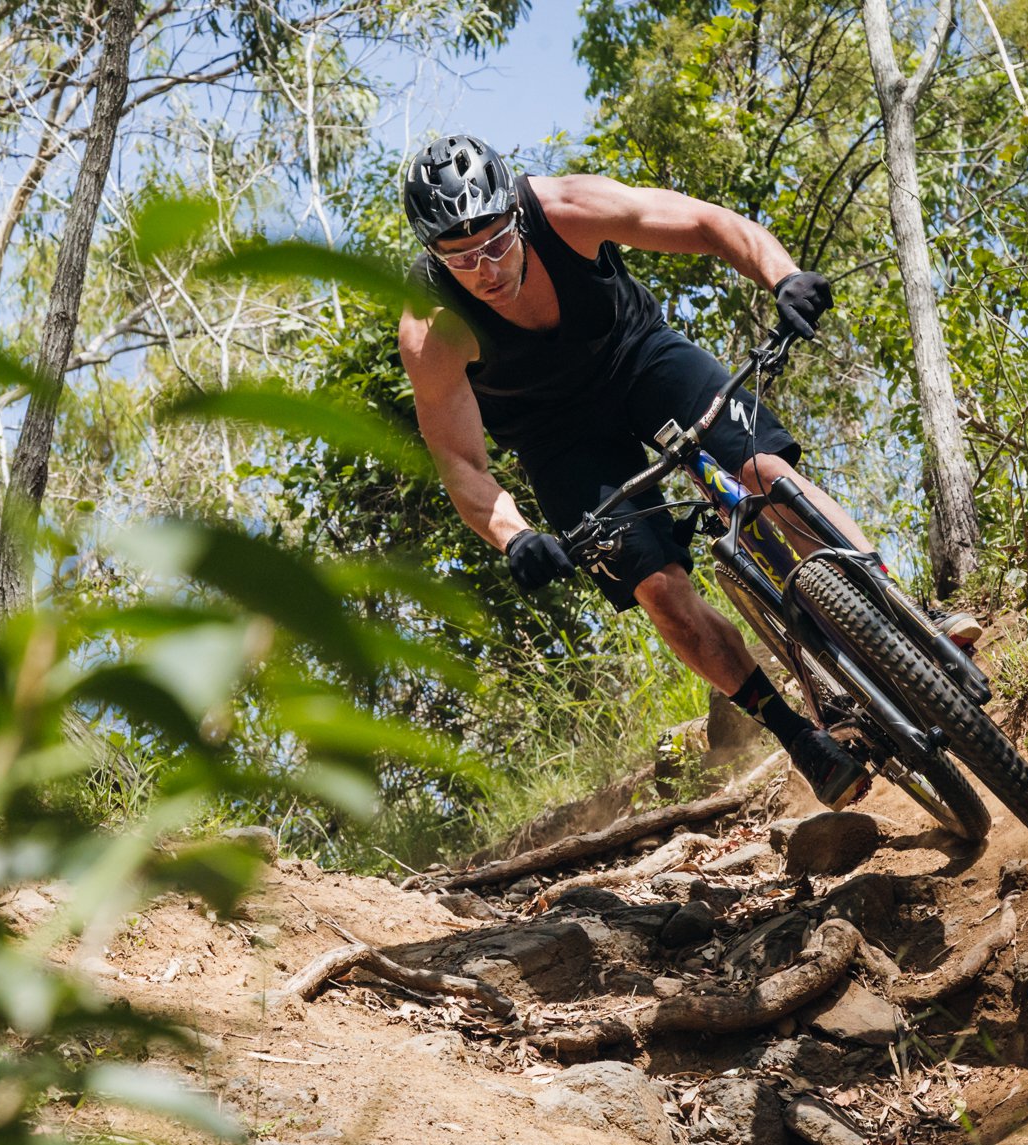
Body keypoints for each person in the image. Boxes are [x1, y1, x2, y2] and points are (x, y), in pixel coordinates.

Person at [397, 133, 979, 808]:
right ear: (434, 253)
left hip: (639, 359)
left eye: (496, 241)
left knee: (765, 475)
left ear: (517, 216)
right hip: (556, 436)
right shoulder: (431, 325)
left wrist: (781, 276)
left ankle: (901, 612)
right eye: (460, 256)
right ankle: (800, 736)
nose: (485, 268)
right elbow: (463, 464)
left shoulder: (566, 208)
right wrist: (515, 536)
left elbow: (708, 223)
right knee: (660, 592)